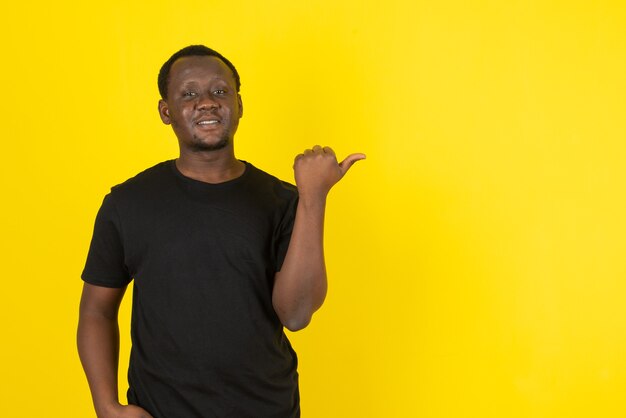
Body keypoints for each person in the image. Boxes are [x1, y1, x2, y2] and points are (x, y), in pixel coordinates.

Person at [77, 45, 365, 418]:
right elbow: (96, 310)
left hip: (266, 409)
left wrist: (314, 197)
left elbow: (295, 314)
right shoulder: (127, 204)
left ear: (240, 105)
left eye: (220, 91)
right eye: (189, 93)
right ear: (166, 111)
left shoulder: (282, 201)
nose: (207, 102)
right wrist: (106, 406)